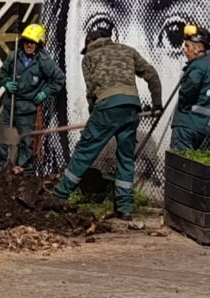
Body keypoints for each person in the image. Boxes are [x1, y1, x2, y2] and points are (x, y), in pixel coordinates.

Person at [51, 15, 163, 220]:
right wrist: (157, 104)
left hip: (106, 108)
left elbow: (91, 90)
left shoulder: (89, 58)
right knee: (126, 158)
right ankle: (125, 207)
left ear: (90, 44)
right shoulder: (127, 51)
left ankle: (59, 195)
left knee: (85, 151)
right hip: (131, 108)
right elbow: (152, 74)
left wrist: (95, 114)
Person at [0, 21, 65, 173]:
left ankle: (25, 172)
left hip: (28, 108)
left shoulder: (44, 61)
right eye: (27, 42)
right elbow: (2, 73)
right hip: (10, 105)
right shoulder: (14, 56)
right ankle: (2, 170)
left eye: (33, 43)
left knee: (26, 142)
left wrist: (45, 93)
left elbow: (59, 79)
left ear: (39, 44)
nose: (29, 45)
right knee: (2, 138)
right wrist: (7, 82)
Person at [168, 18, 210, 155]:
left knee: (181, 167)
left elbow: (188, 92)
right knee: (197, 170)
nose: (184, 50)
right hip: (205, 129)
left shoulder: (197, 68)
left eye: (187, 46)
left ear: (198, 49)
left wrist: (183, 98)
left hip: (187, 127)